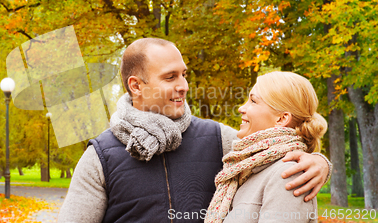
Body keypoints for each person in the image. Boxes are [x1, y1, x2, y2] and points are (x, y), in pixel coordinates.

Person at [58, 38, 331, 223]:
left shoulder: (218, 138)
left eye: (183, 74)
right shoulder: (100, 157)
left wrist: (319, 161)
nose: (183, 86)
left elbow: (269, 151)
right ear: (136, 86)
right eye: (170, 77)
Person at [205, 71, 327, 223]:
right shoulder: (248, 169)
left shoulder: (288, 174)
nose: (241, 108)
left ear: (282, 119)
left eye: (253, 101)